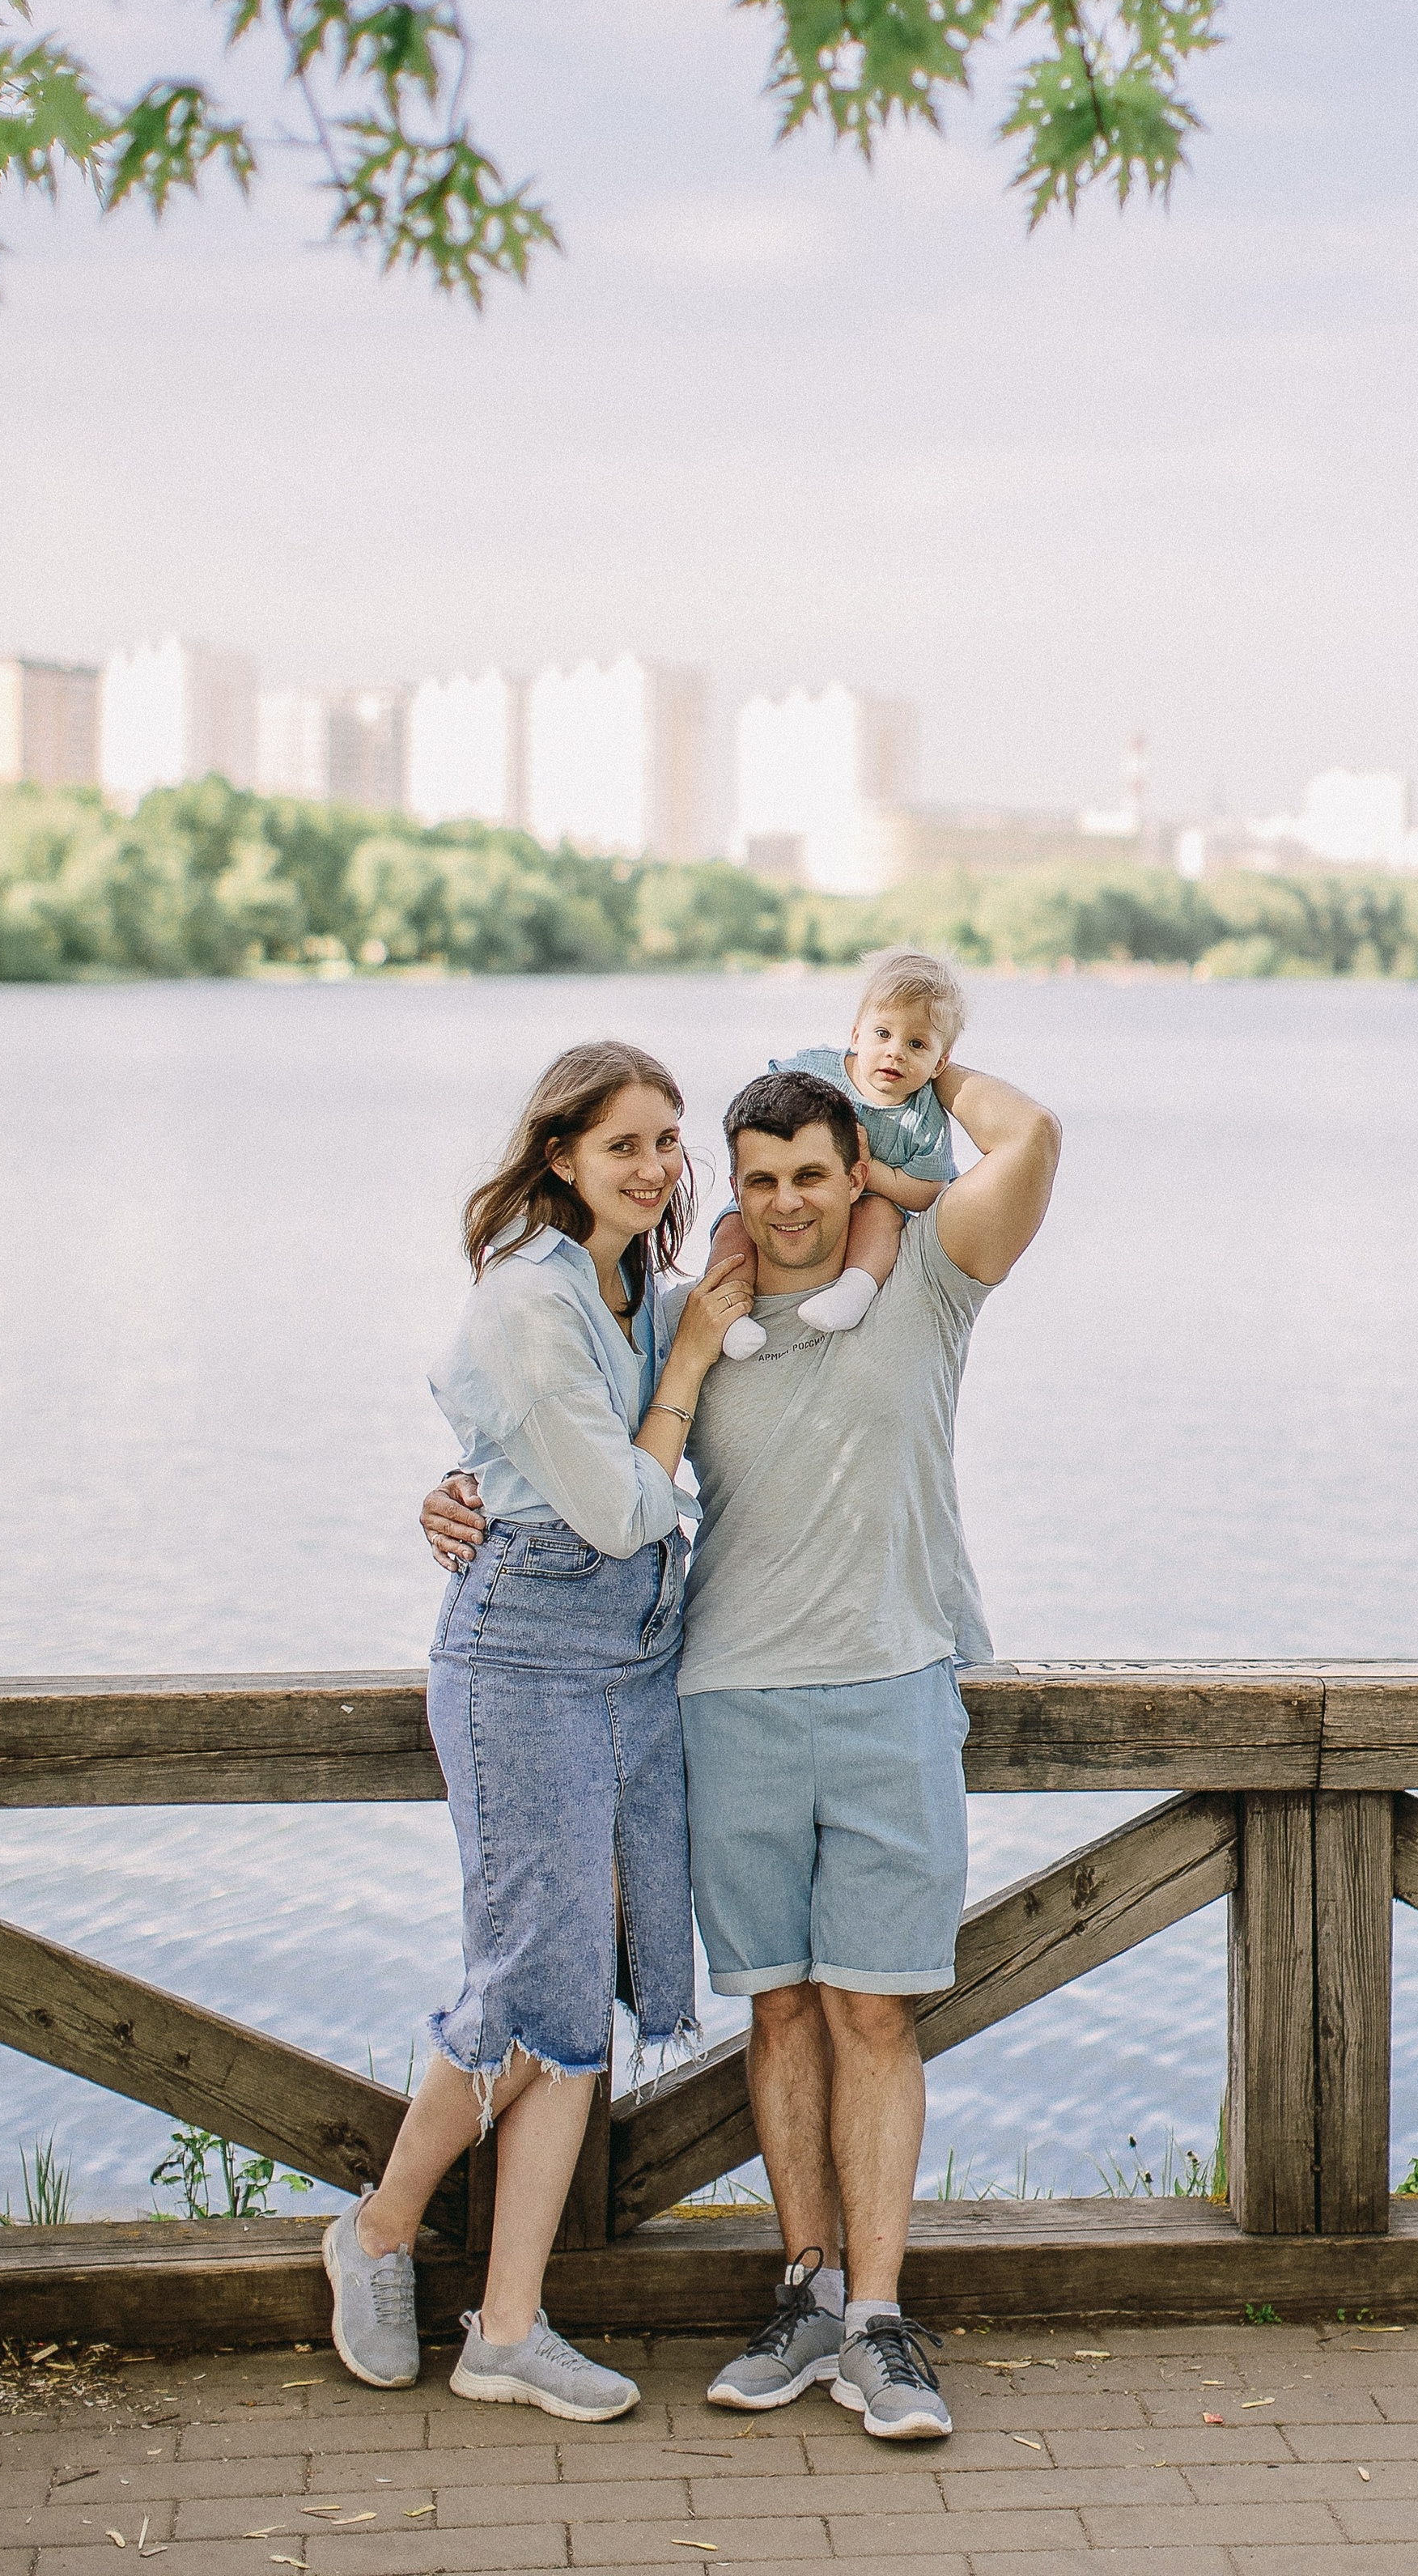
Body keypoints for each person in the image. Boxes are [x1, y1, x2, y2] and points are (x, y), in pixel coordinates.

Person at [423, 1044, 1060, 2446]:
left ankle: (882, 2326)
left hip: (895, 1690)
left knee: (875, 2011)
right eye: (760, 1178)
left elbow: (1036, 1139)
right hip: (724, 1701)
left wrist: (907, 1061)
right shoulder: (686, 1317)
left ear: (856, 1177)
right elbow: (558, 1431)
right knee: (780, 2008)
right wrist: (458, 1491)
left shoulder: (930, 1279)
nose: (786, 1205)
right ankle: (807, 2294)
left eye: (814, 1177)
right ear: (731, 1186)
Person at [331, 1042, 754, 2421]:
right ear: (559, 1153)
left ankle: (507, 2329)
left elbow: (836, 1204)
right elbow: (622, 1509)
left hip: (634, 1663)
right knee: (533, 1987)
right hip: (524, 1658)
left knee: (575, 2001)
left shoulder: (632, 1286)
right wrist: (691, 1361)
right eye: (625, 1143)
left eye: (669, 1141)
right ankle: (384, 2231)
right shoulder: (531, 1298)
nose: (656, 1166)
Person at [707, 948, 968, 1358]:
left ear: (941, 1062)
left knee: (881, 1216)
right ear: (856, 1035)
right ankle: (729, 1313)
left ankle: (854, 1291)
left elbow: (929, 1191)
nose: (895, 1052)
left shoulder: (924, 1116)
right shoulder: (819, 1068)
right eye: (883, 1034)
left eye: (917, 1044)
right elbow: (764, 1107)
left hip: (869, 1201)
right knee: (734, 1226)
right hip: (792, 1181)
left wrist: (868, 1169)